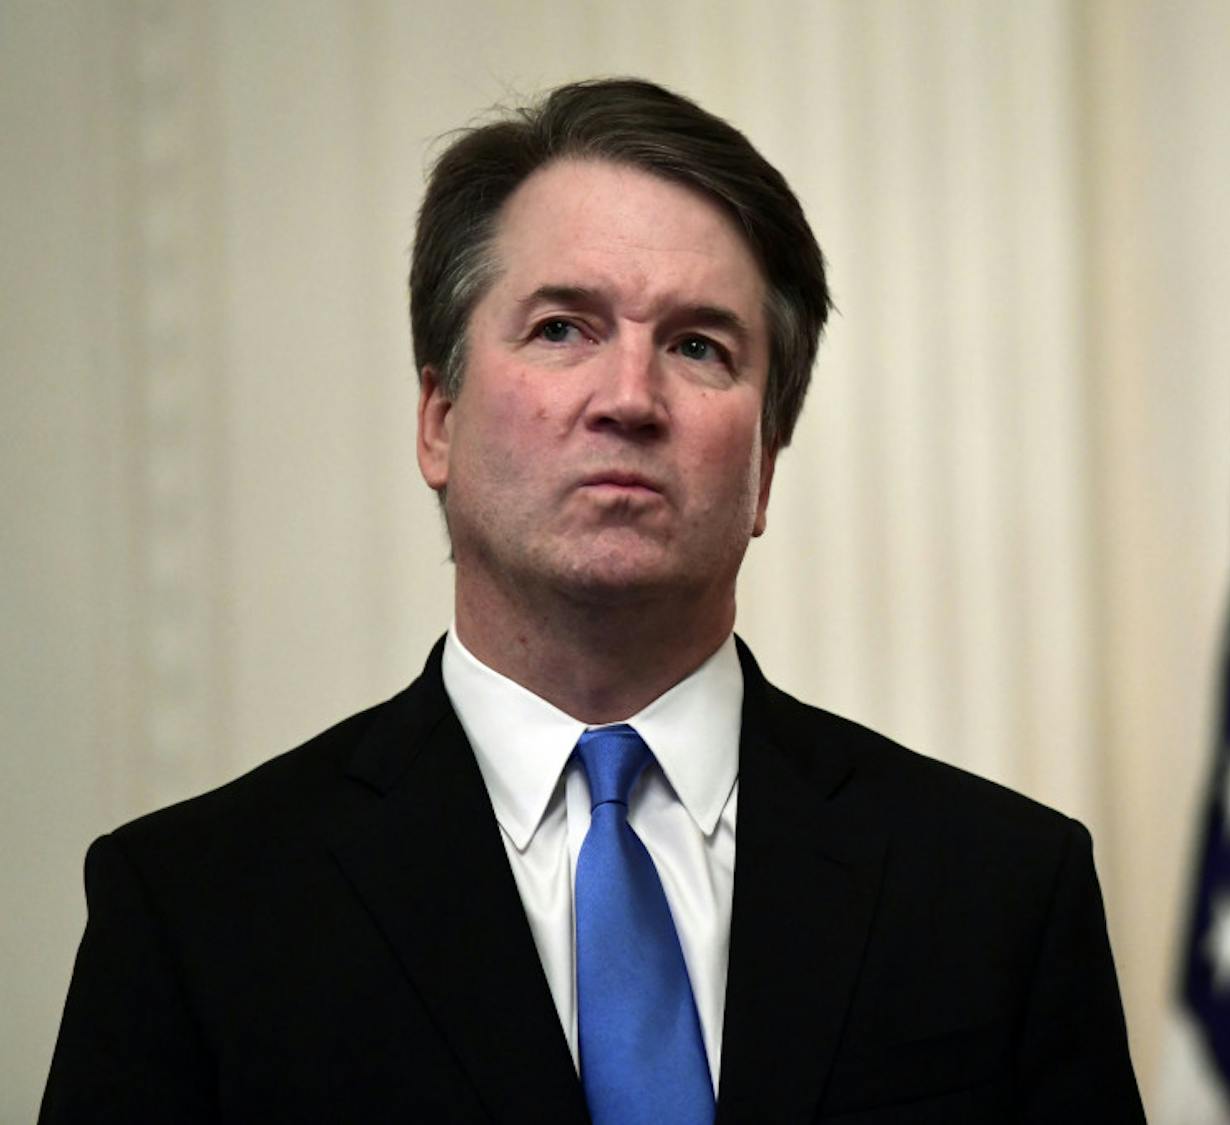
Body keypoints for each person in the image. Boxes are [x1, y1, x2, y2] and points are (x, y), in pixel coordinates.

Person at [42, 78, 1144, 1123]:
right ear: (438, 419)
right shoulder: (197, 912)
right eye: (562, 327)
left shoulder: (996, 893)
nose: (629, 398)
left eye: (699, 346)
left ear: (765, 462)